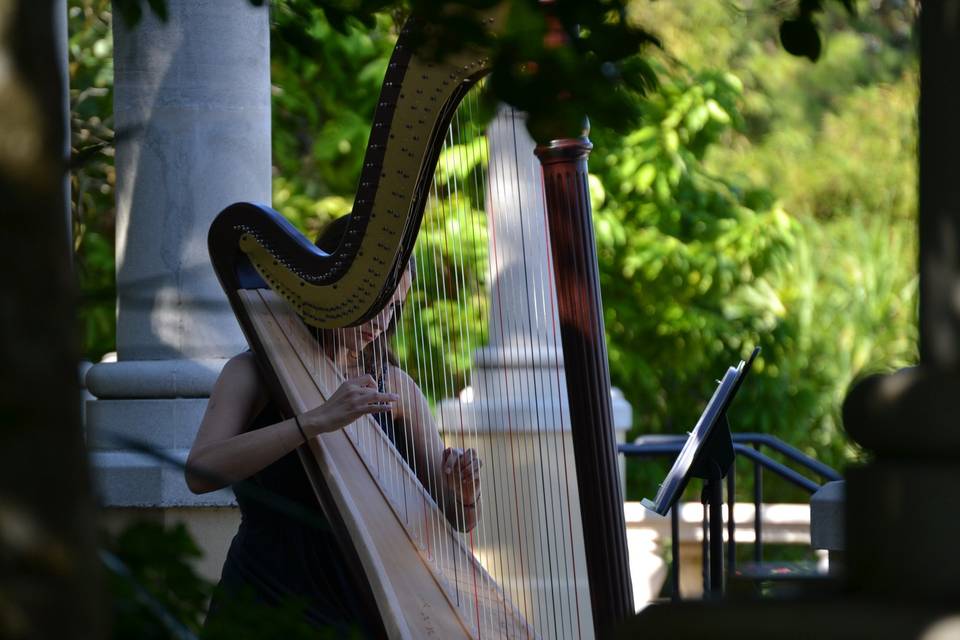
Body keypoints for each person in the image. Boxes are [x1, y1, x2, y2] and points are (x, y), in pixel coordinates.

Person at [187, 217, 482, 636]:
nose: (382, 320)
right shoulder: (253, 372)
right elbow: (200, 471)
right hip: (264, 600)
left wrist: (465, 495)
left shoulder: (395, 387)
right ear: (332, 290)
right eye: (376, 302)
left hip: (363, 608)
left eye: (395, 307)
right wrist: (314, 421)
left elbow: (455, 519)